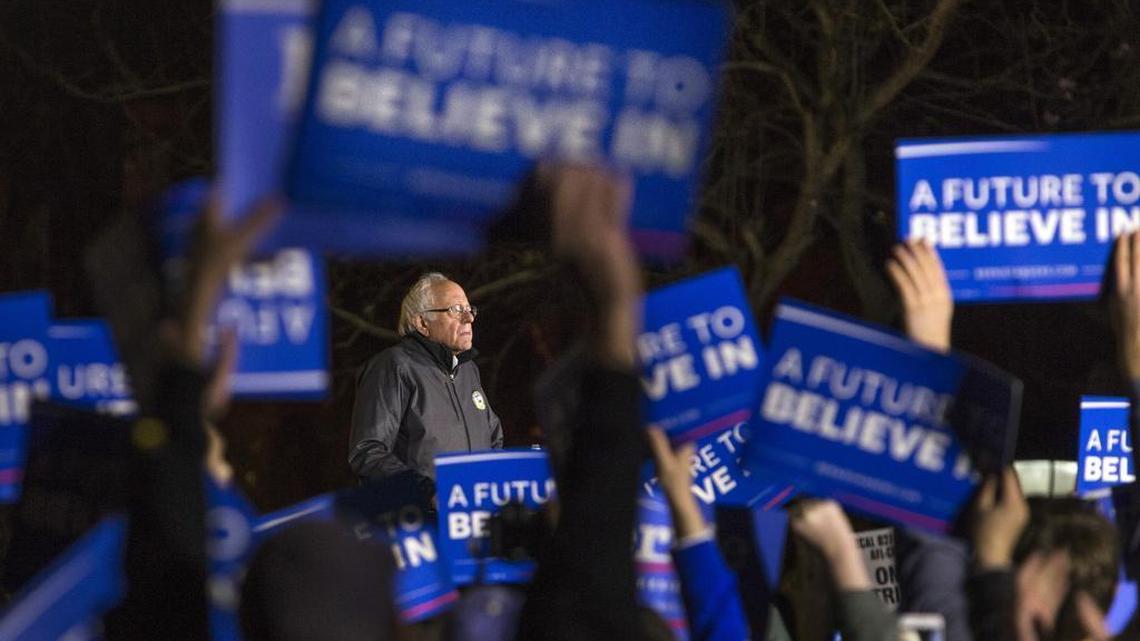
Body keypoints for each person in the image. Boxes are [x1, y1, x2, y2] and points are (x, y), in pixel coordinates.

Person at [349, 273, 503, 505]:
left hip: (471, 520)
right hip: (419, 523)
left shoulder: (468, 370)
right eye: (455, 310)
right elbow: (368, 452)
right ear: (422, 323)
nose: (469, 318)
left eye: (469, 309)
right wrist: (425, 492)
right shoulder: (395, 366)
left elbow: (494, 438)